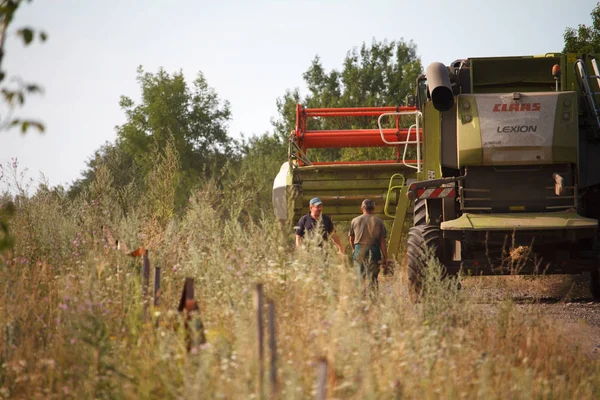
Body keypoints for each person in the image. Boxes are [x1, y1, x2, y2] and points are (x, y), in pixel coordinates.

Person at [349, 199, 387, 291]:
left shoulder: (355, 220)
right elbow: (382, 241)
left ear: (362, 208)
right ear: (373, 208)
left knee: (359, 277)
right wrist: (385, 256)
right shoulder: (379, 221)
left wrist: (354, 249)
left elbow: (351, 239)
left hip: (359, 248)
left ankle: (360, 299)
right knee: (373, 278)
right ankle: (373, 300)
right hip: (374, 249)